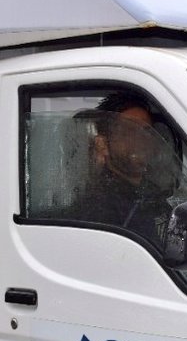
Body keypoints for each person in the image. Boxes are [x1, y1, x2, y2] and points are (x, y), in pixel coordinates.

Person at [72, 92, 176, 251]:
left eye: (146, 131)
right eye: (128, 131)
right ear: (102, 145)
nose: (140, 139)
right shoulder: (99, 209)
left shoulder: (151, 193)